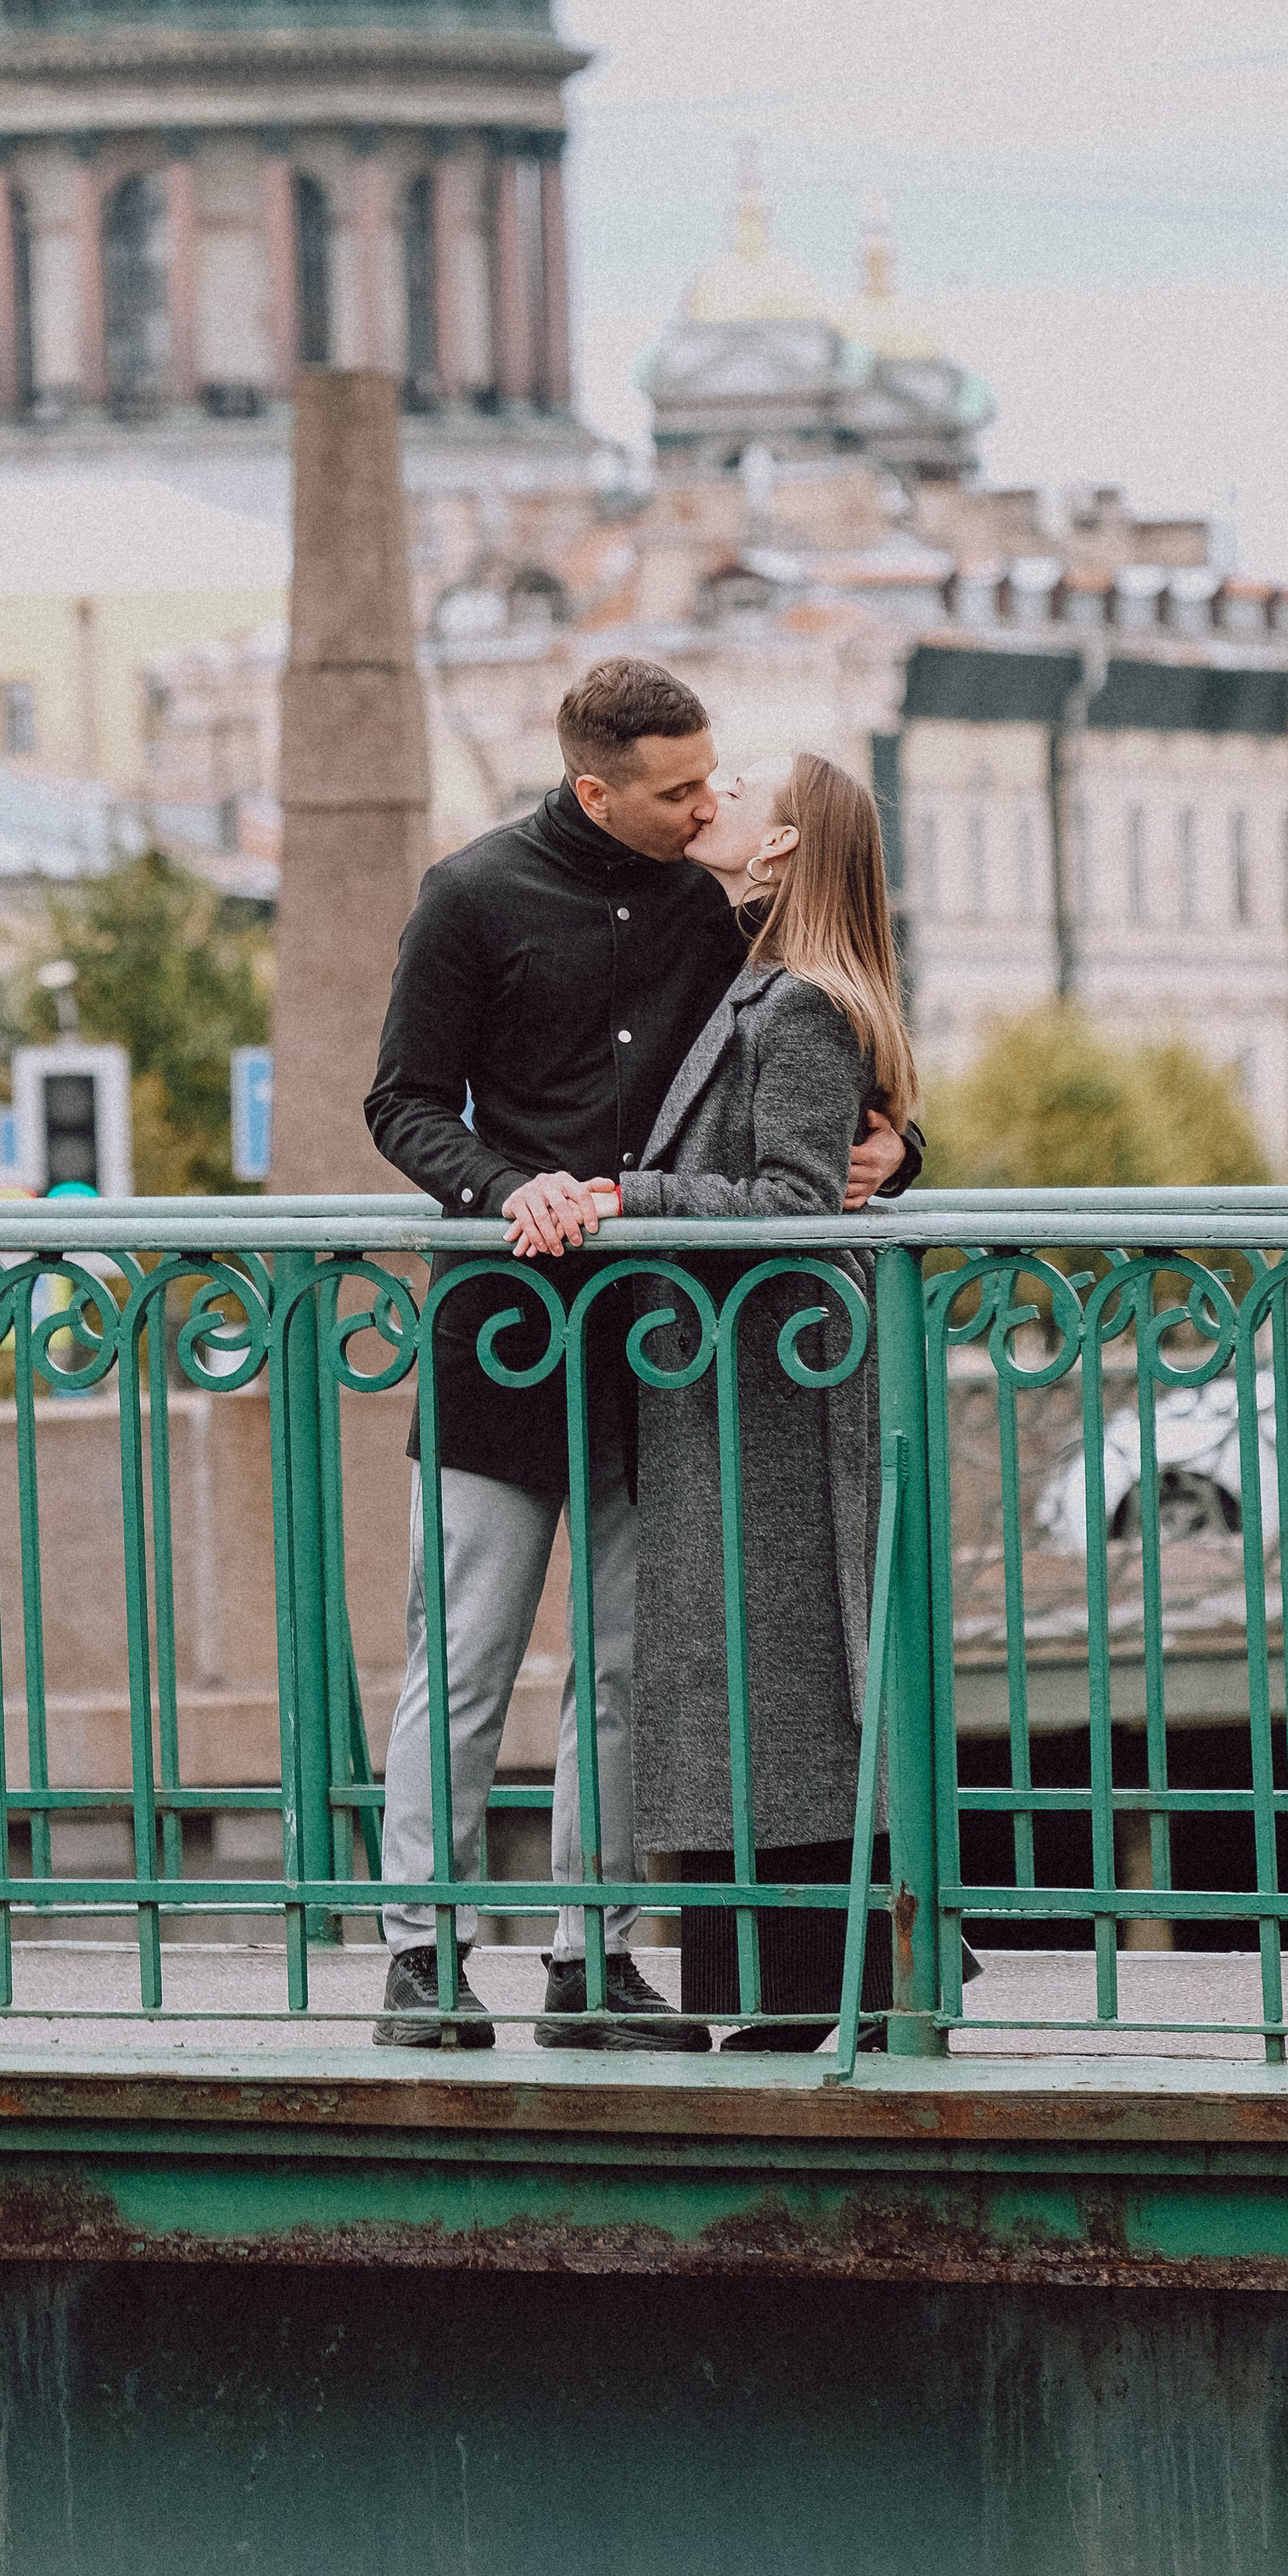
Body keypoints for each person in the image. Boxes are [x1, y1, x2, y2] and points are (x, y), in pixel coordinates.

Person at [363, 659, 912, 2052]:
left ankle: (590, 1964)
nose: (701, 805)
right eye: (676, 790)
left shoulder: (718, 903)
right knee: (466, 1656)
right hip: (502, 1332)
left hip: (664, 1359)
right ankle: (423, 1957)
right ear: (594, 788)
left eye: (711, 782)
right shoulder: (472, 895)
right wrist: (507, 1192)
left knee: (621, 1671)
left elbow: (808, 1071)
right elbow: (405, 1104)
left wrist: (902, 1153)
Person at [552, 753, 925, 2050]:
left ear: (787, 849)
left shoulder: (800, 1005)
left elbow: (790, 1198)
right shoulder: (760, 981)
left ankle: (816, 1998)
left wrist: (625, 1199)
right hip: (735, 1388)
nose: (712, 803)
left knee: (787, 1688)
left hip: (770, 1392)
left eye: (740, 792)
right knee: (755, 1689)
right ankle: (793, 1998)